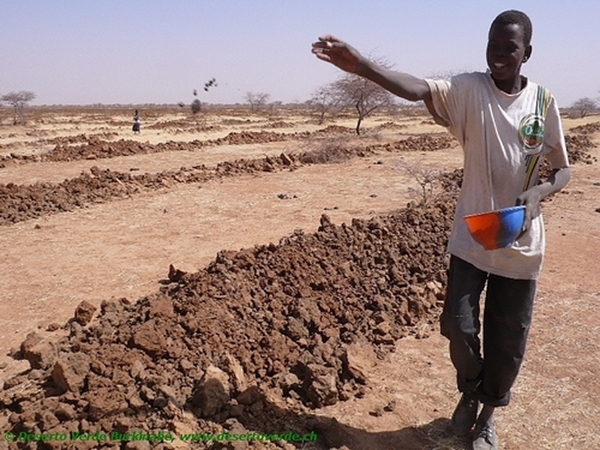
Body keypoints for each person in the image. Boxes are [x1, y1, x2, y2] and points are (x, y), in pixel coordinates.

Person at [312, 10, 570, 450]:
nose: (498, 55)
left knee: (507, 341)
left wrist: (538, 195)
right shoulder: (469, 90)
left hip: (520, 243)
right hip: (472, 237)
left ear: (527, 52)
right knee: (458, 326)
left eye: (509, 47)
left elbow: (562, 169)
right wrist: (364, 67)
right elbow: (417, 89)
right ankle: (468, 395)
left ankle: (487, 416)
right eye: (493, 45)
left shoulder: (542, 102)